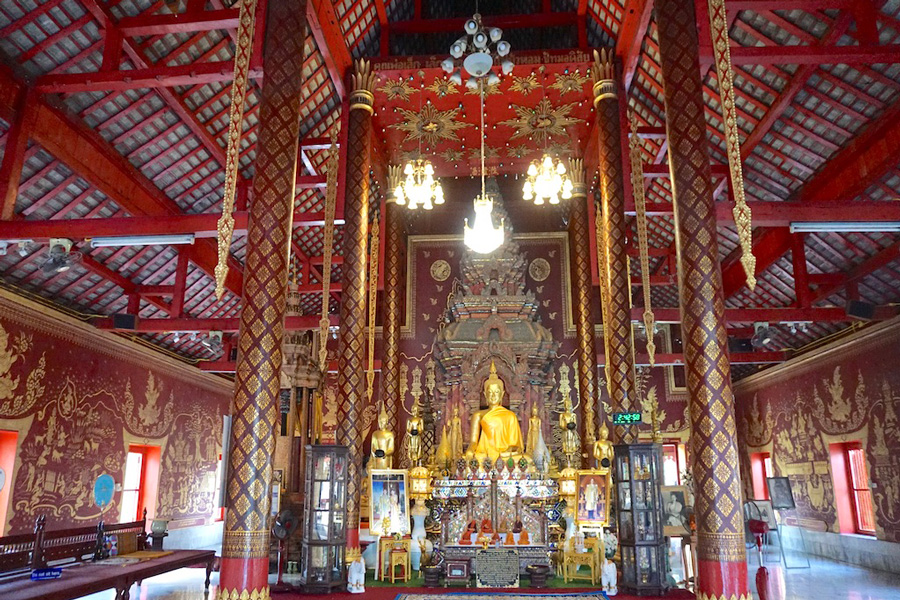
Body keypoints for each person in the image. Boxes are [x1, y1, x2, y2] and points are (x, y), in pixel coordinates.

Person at [465, 361, 526, 462]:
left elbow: (516, 445)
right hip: (485, 455)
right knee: (471, 459)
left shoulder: (510, 416)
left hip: (505, 455)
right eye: (490, 392)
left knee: (526, 459)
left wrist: (511, 449)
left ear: (502, 394)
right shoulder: (478, 415)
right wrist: (470, 451)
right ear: (485, 395)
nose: (493, 395)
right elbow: (473, 442)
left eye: (497, 392)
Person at [370, 405, 395, 469]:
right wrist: (376, 453)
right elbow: (373, 447)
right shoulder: (375, 434)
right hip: (376, 459)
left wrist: (385, 453)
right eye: (380, 422)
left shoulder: (390, 434)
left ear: (386, 422)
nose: (381, 424)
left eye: (383, 422)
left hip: (386, 459)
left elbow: (391, 449)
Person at [407, 401, 424, 465]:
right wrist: (411, 433)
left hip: (417, 436)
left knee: (417, 449)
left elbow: (421, 429)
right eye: (413, 410)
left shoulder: (420, 420)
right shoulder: (410, 420)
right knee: (412, 449)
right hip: (411, 437)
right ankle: (411, 464)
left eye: (416, 410)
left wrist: (418, 432)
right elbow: (407, 429)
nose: (415, 411)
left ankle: (417, 463)